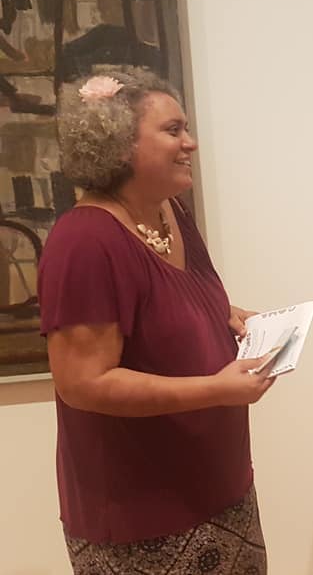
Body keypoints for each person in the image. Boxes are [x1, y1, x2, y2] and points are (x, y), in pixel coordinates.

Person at [39, 68, 276, 574]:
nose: (190, 143)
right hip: (141, 511)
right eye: (173, 130)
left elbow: (163, 308)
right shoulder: (84, 241)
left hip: (220, 485)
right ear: (119, 143)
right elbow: (83, 383)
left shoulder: (171, 212)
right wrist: (216, 390)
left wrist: (226, 315)